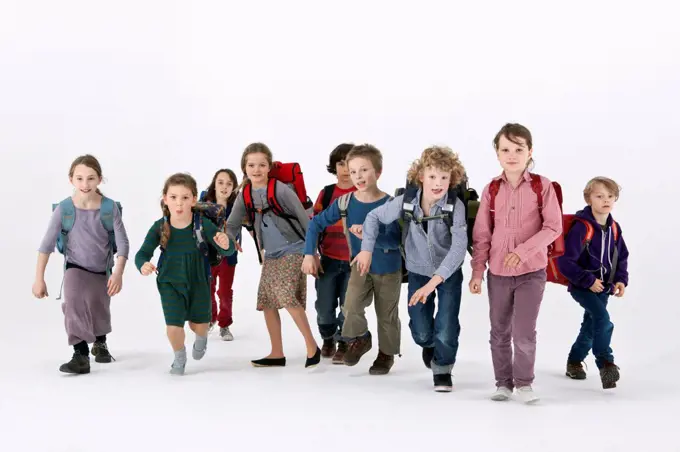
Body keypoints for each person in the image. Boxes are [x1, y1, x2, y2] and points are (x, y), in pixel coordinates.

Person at [355, 146, 467, 391]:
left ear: (452, 179)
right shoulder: (406, 202)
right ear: (421, 177)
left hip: (447, 274)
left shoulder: (454, 207)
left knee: (446, 325)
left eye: (444, 178)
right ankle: (429, 346)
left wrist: (435, 280)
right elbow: (374, 217)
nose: (438, 183)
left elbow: (459, 247)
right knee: (420, 330)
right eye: (432, 177)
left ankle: (442, 369)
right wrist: (366, 248)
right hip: (417, 270)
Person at [469, 123, 562, 403]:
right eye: (505, 149)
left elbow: (553, 227)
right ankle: (503, 383)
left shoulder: (541, 186)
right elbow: (482, 234)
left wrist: (522, 251)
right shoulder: (491, 189)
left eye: (518, 149)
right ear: (497, 154)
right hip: (497, 273)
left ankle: (524, 383)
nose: (512, 155)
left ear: (529, 151)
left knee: (523, 332)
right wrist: (477, 272)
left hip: (531, 272)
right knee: (499, 331)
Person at [303, 144, 402, 375]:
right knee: (350, 307)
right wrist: (309, 253)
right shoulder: (345, 203)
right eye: (353, 171)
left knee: (386, 315)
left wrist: (371, 235)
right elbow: (315, 223)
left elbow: (396, 241)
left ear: (378, 172)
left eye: (364, 170)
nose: (358, 176)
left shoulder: (390, 205)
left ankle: (386, 355)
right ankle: (362, 337)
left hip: (388, 268)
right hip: (359, 266)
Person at [225, 142, 321, 368]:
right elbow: (232, 224)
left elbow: (307, 222)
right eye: (251, 165)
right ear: (244, 168)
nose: (256, 169)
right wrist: (227, 238)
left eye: (261, 165)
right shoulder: (244, 194)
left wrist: (312, 253)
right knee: (267, 302)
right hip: (270, 255)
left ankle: (311, 346)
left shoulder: (281, 189)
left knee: (286, 295)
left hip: (295, 247)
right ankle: (276, 353)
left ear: (269, 167)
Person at [33, 154, 129, 375]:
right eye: (80, 178)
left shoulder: (109, 208)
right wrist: (39, 278)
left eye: (91, 178)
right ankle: (80, 354)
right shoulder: (64, 209)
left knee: (99, 308)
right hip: (75, 267)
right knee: (73, 304)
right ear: (71, 180)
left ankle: (100, 341)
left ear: (99, 179)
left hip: (102, 269)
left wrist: (118, 273)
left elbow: (123, 244)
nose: (85, 184)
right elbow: (45, 245)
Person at [135, 173, 235, 375]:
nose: (179, 203)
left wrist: (226, 243)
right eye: (173, 197)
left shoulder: (202, 224)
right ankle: (179, 357)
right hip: (169, 281)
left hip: (199, 281)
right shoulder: (160, 227)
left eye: (185, 197)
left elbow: (227, 250)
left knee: (198, 324)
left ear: (194, 199)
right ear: (165, 199)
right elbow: (142, 254)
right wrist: (143, 264)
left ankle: (202, 337)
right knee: (173, 325)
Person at [557, 176, 629, 389]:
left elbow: (621, 256)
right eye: (599, 196)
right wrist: (587, 280)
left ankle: (574, 361)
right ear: (589, 199)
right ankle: (605, 363)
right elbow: (565, 261)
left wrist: (620, 280)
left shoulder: (614, 228)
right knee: (602, 319)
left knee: (591, 326)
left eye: (610, 196)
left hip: (604, 288)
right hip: (582, 286)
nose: (606, 200)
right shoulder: (582, 227)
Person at [310, 143, 357, 362]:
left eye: (350, 163)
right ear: (334, 166)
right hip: (328, 259)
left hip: (354, 262)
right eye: (341, 163)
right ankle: (327, 337)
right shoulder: (327, 193)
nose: (346, 169)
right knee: (324, 306)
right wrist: (312, 255)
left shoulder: (363, 194)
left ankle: (343, 341)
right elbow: (314, 225)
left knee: (349, 306)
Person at [202, 168, 240, 341]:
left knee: (224, 292)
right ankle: (211, 319)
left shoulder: (237, 206)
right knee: (207, 289)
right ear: (214, 184)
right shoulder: (203, 202)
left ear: (233, 187)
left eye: (229, 184)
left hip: (228, 257)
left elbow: (248, 225)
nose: (224, 187)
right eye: (220, 182)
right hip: (207, 255)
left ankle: (224, 325)